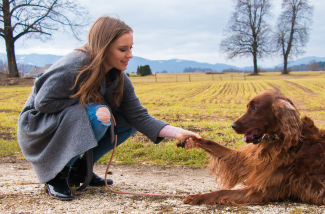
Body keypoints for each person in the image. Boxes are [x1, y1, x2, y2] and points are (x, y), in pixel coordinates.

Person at [17, 15, 200, 201]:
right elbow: (43, 103)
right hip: (39, 125)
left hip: (68, 119)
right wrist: (93, 106)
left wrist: (178, 132)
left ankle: (80, 170)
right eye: (122, 49)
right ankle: (56, 175)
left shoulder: (118, 76)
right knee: (99, 116)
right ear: (103, 48)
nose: (130, 55)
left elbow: (139, 116)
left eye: (131, 48)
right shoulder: (74, 65)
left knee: (128, 121)